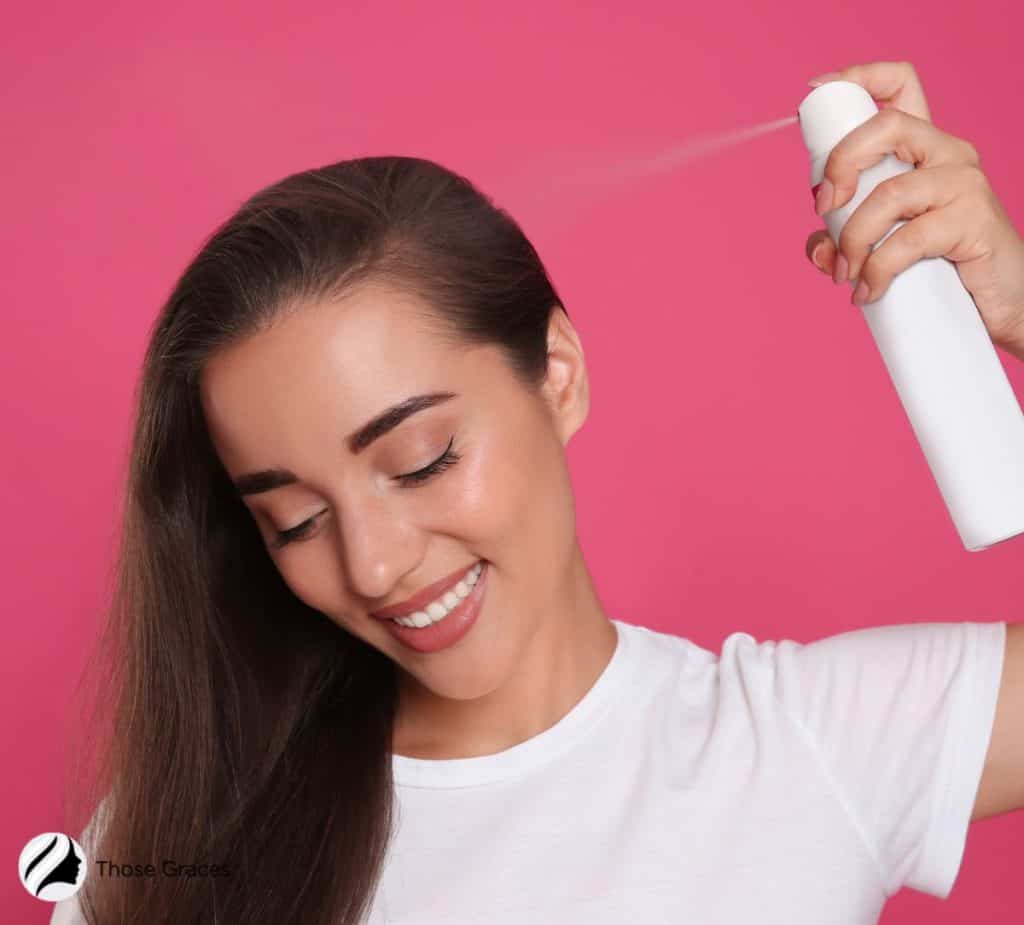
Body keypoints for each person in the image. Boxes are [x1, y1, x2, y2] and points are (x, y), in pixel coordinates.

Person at [52, 61, 1023, 925]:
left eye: (421, 458)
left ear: (557, 373)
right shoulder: (160, 847)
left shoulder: (815, 740)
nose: (375, 563)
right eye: (294, 520)